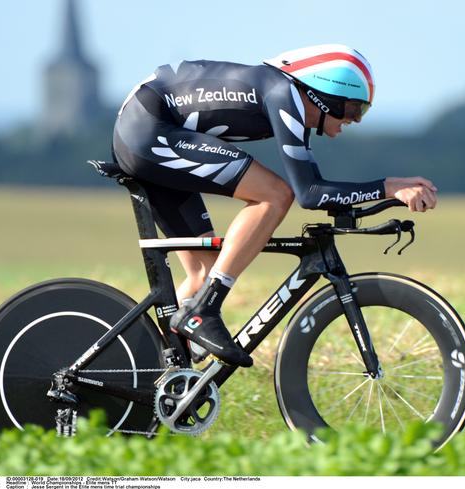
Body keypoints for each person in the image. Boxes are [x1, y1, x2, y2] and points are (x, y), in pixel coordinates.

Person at [112, 44, 437, 368]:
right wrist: (388, 188)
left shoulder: (288, 98)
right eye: (353, 109)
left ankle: (151, 373)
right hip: (148, 129)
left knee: (205, 270)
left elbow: (317, 187)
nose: (354, 120)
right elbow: (308, 194)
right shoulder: (285, 95)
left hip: (145, 129)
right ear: (324, 96)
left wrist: (377, 195)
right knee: (275, 195)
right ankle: (204, 310)